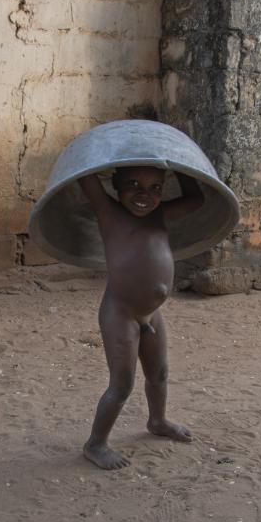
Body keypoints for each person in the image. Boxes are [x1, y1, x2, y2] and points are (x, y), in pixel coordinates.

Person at [75, 166, 205, 469]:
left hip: (152, 314)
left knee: (159, 374)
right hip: (120, 313)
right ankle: (95, 444)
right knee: (121, 384)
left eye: (156, 188)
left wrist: (178, 166)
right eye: (133, 185)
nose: (144, 195)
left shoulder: (159, 215)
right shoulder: (110, 214)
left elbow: (196, 200)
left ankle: (157, 420)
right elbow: (85, 177)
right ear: (116, 186)